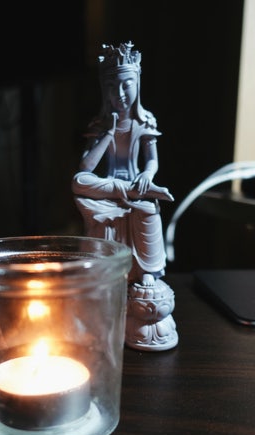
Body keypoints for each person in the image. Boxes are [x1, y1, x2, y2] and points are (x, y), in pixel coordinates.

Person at [72, 41, 178, 351]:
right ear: (103, 90)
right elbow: (86, 169)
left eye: (126, 85)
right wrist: (108, 132)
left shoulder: (144, 121)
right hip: (107, 188)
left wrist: (146, 176)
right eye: (111, 87)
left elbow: (152, 161)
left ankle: (146, 272)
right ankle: (107, 273)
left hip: (138, 187)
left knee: (147, 212)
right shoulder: (99, 125)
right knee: (78, 182)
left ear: (137, 85)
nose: (119, 93)